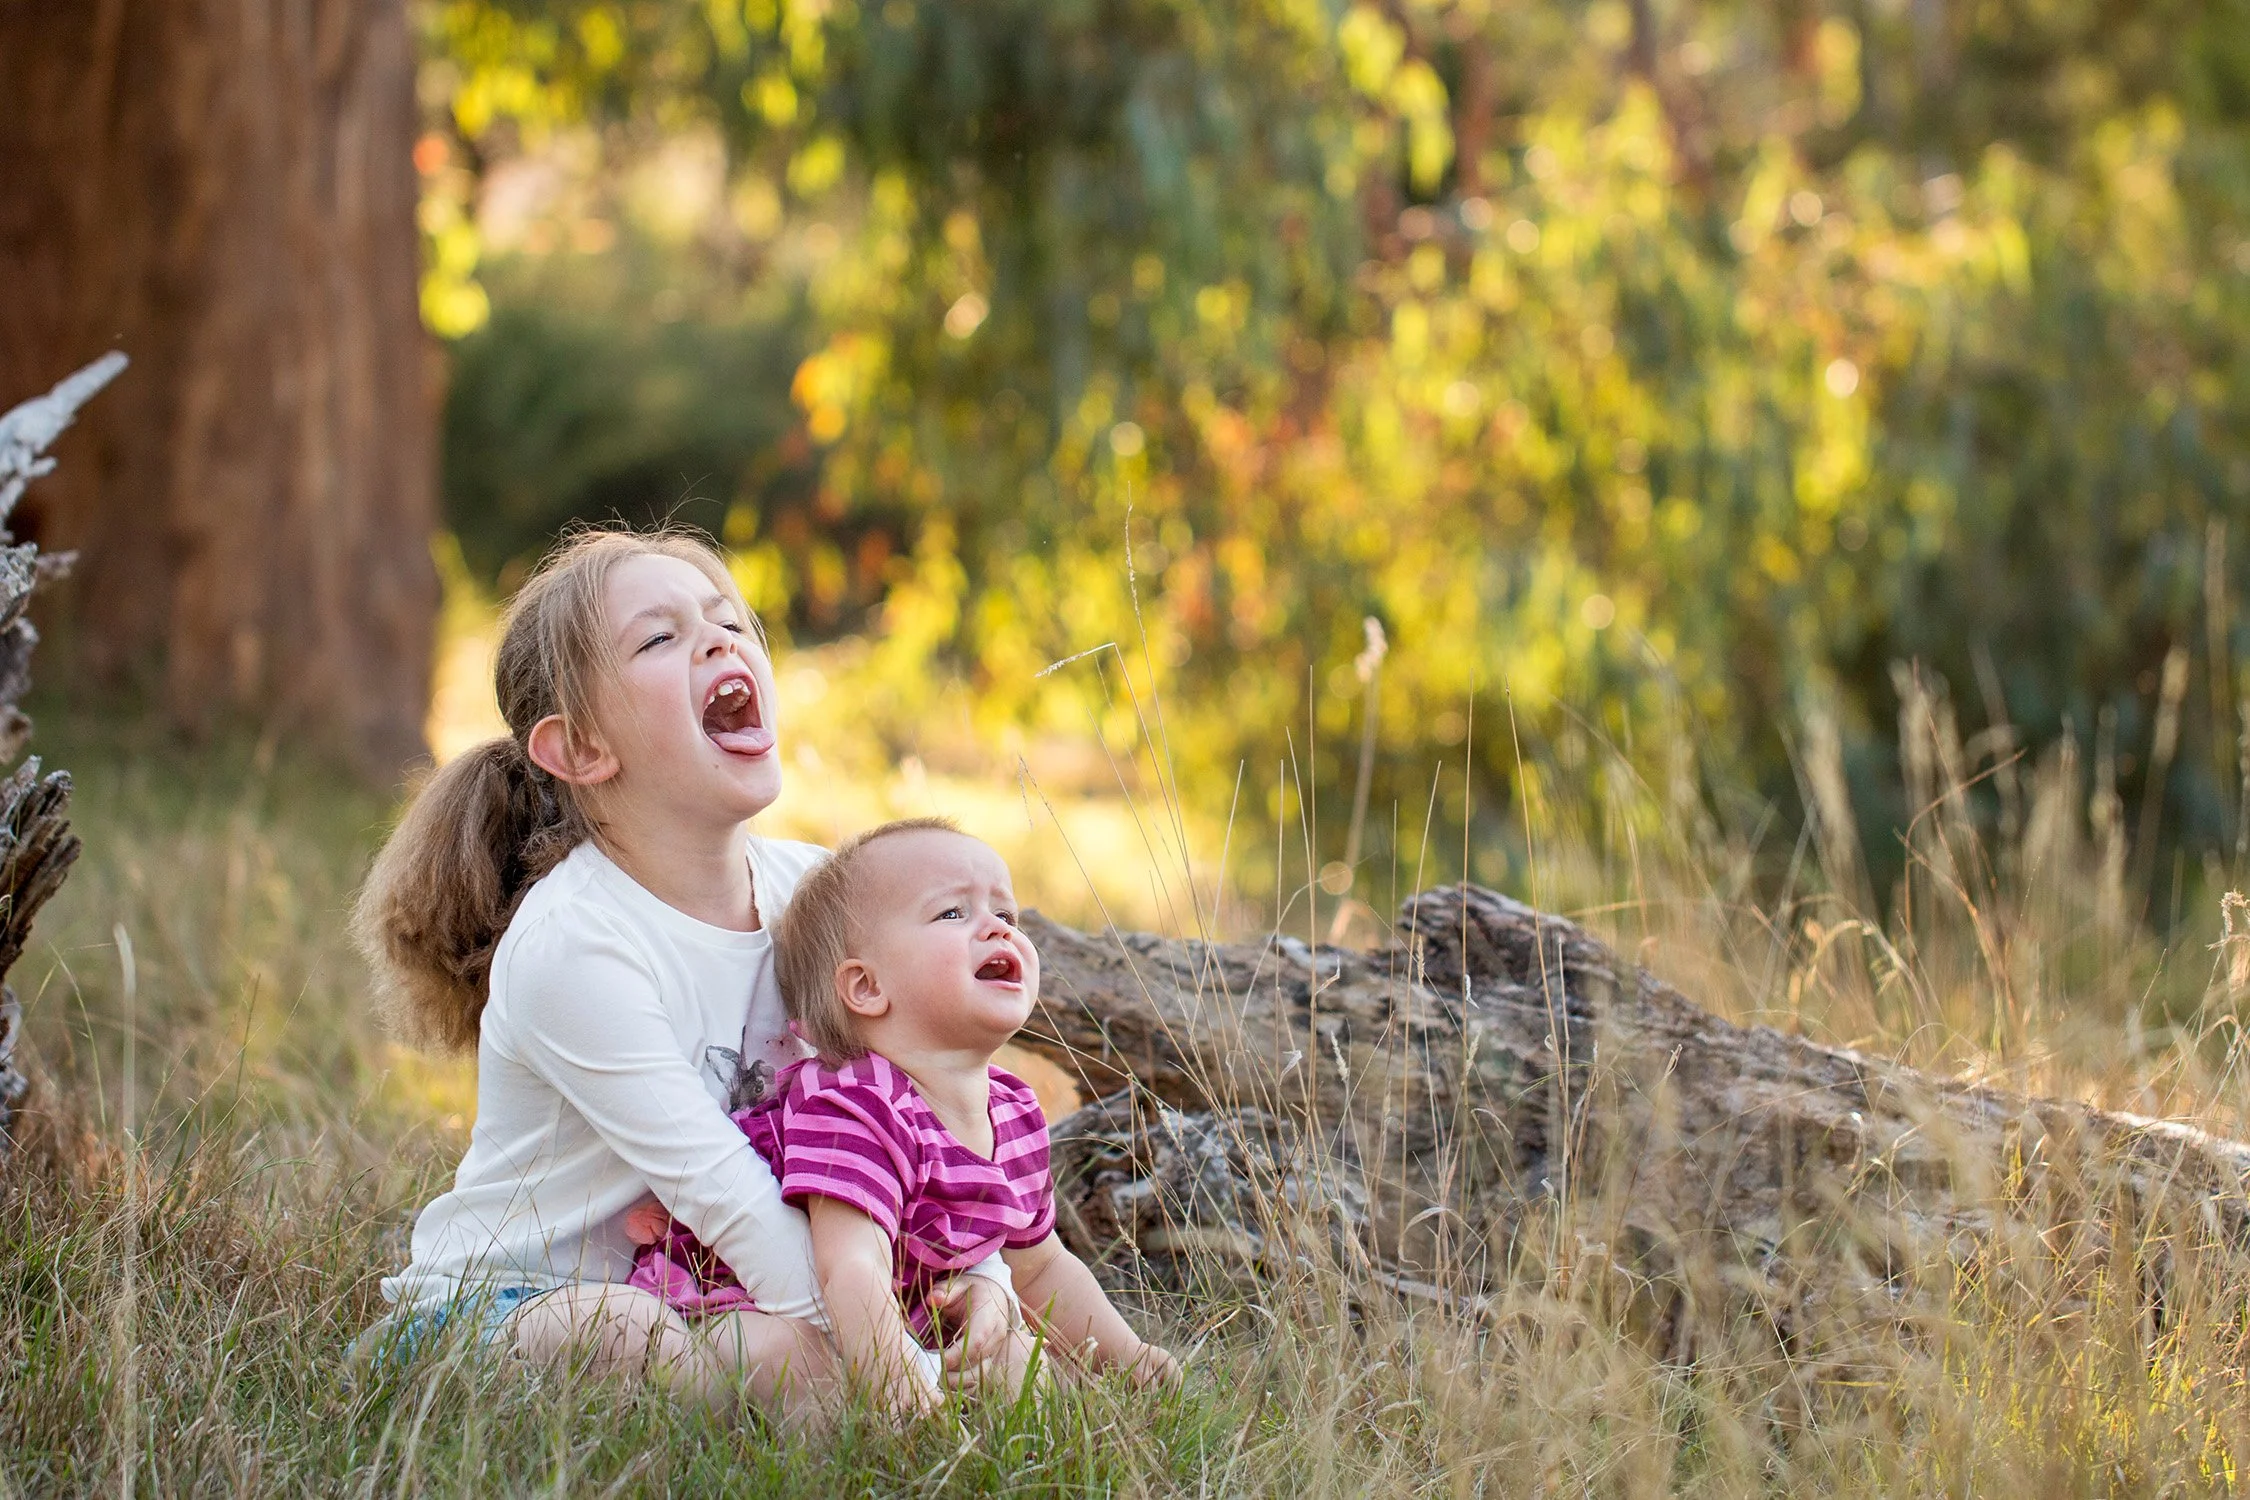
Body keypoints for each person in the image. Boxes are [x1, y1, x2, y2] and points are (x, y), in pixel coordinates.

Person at [351, 529, 1013, 1419]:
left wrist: (986, 1281)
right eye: (659, 638)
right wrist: (905, 1372)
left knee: (897, 1354)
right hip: (503, 1310)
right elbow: (731, 1201)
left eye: (730, 620)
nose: (720, 640)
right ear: (581, 749)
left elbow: (934, 1101)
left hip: (706, 1293)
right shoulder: (576, 944)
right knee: (660, 1338)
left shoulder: (816, 897)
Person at [627, 818, 1182, 1411]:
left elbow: (1042, 1267)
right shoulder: (855, 1103)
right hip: (741, 1301)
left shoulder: (1015, 1109)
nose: (996, 928)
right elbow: (850, 1265)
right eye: (952, 913)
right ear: (866, 987)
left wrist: (1131, 1358)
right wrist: (900, 1392)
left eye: (1007, 915)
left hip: (903, 1311)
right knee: (790, 1365)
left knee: (1030, 1372)